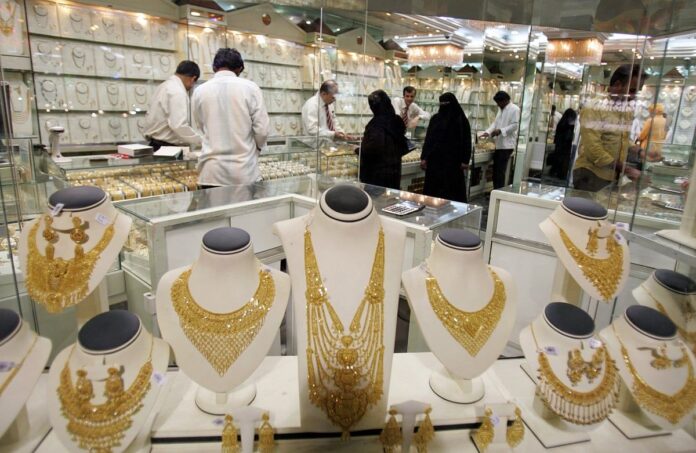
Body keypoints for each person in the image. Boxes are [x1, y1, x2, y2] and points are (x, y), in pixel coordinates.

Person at [192, 48, 269, 187]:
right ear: (240, 68)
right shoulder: (251, 88)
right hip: (244, 171)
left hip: (211, 172)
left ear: (214, 67)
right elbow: (262, 130)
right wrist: (256, 149)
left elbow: (201, 126)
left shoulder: (199, 91)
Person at [573, 64, 646, 192]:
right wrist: (627, 169)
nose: (634, 96)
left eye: (636, 91)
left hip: (612, 175)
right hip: (591, 174)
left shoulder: (625, 110)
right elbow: (594, 149)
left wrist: (640, 151)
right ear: (617, 85)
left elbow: (622, 139)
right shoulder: (594, 107)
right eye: (632, 90)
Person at [420, 92, 472, 202]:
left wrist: (465, 160)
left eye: (445, 104)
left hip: (453, 162)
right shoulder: (435, 119)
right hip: (435, 161)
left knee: (451, 191)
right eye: (441, 104)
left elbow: (466, 140)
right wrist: (424, 157)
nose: (443, 106)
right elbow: (429, 139)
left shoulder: (461, 120)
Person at [143, 60, 202, 151]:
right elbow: (179, 126)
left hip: (155, 144)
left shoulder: (163, 86)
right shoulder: (178, 92)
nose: (191, 87)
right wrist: (201, 140)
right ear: (193, 79)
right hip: (166, 148)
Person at [359, 90, 408, 189]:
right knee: (391, 197)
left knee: (375, 198)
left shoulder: (375, 124)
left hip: (377, 176)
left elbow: (372, 148)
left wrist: (358, 150)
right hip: (394, 172)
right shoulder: (397, 120)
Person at [481, 91, 520, 190]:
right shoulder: (501, 109)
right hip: (499, 145)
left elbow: (515, 125)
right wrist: (488, 132)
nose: (497, 105)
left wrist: (501, 131)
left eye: (499, 102)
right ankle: (496, 191)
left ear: (505, 100)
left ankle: (499, 192)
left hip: (507, 146)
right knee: (496, 171)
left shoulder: (514, 109)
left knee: (499, 172)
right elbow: (495, 123)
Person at [549, 108, 578, 182]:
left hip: (559, 146)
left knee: (558, 160)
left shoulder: (561, 123)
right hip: (565, 147)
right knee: (563, 162)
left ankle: (555, 172)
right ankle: (561, 174)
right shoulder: (569, 126)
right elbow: (568, 137)